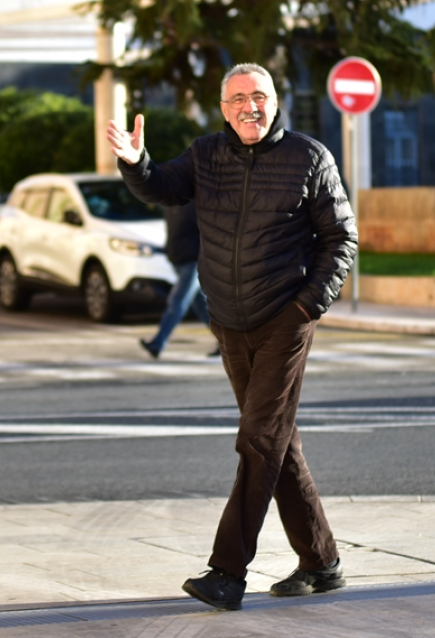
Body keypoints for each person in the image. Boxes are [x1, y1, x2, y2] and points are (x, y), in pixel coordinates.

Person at [107, 63, 357, 611]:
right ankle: (321, 560)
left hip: (283, 320)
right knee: (277, 442)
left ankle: (227, 571)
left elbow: (341, 239)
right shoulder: (206, 155)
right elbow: (161, 188)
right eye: (239, 98)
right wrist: (135, 162)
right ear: (224, 109)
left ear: (276, 101)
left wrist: (306, 306)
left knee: (258, 439)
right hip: (229, 321)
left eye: (260, 96)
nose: (251, 107)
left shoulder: (309, 157)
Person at [139, 201, 218, 359]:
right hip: (178, 261)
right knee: (201, 306)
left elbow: (207, 233)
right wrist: (163, 250)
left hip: (193, 263)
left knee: (177, 302)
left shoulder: (193, 205)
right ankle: (227, 342)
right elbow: (174, 233)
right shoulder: (170, 206)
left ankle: (157, 344)